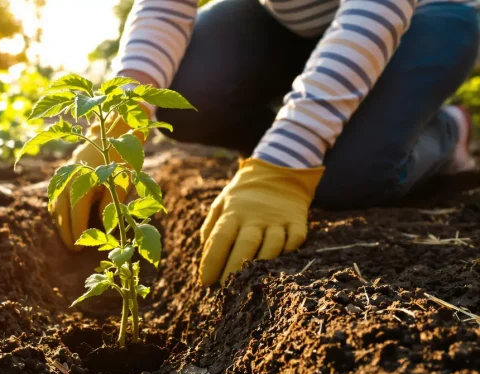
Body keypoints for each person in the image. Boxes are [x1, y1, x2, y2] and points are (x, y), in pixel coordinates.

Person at [50, 0, 479, 286]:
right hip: (286, 22)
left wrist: (286, 165)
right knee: (180, 99)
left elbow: (376, 12)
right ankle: (313, 128)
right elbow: (162, 8)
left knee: (345, 179)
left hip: (422, 18)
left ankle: (448, 131)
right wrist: (123, 119)